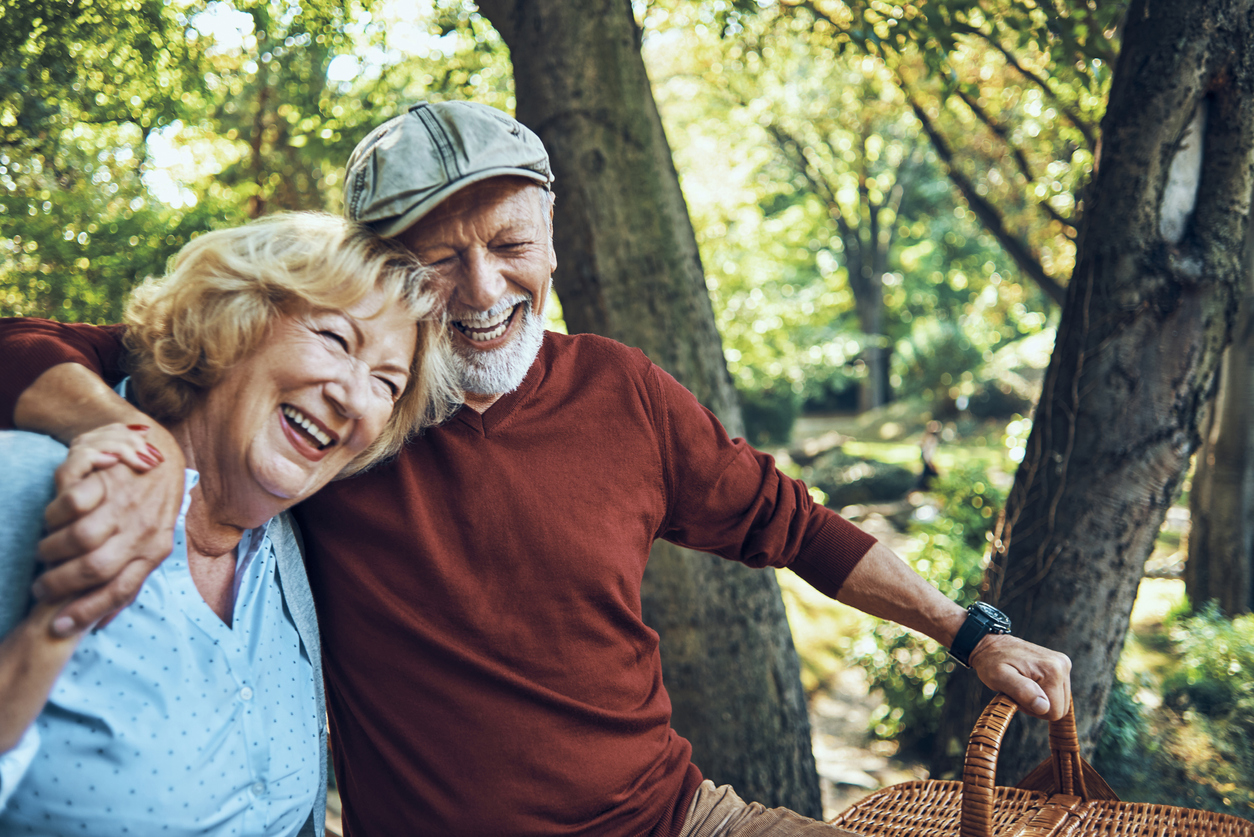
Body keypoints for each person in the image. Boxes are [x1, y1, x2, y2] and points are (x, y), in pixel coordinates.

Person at [0, 101, 1071, 837]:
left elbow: (794, 523)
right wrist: (109, 430)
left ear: (551, 236)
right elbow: (55, 347)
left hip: (681, 819)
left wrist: (969, 632)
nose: (480, 289)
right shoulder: (324, 419)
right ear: (380, 276)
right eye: (437, 257)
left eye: (510, 244)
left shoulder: (623, 391)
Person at [0, 211, 455, 836]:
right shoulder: (28, 486)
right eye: (335, 338)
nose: (354, 397)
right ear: (233, 321)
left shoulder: (292, 555)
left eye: (386, 382)